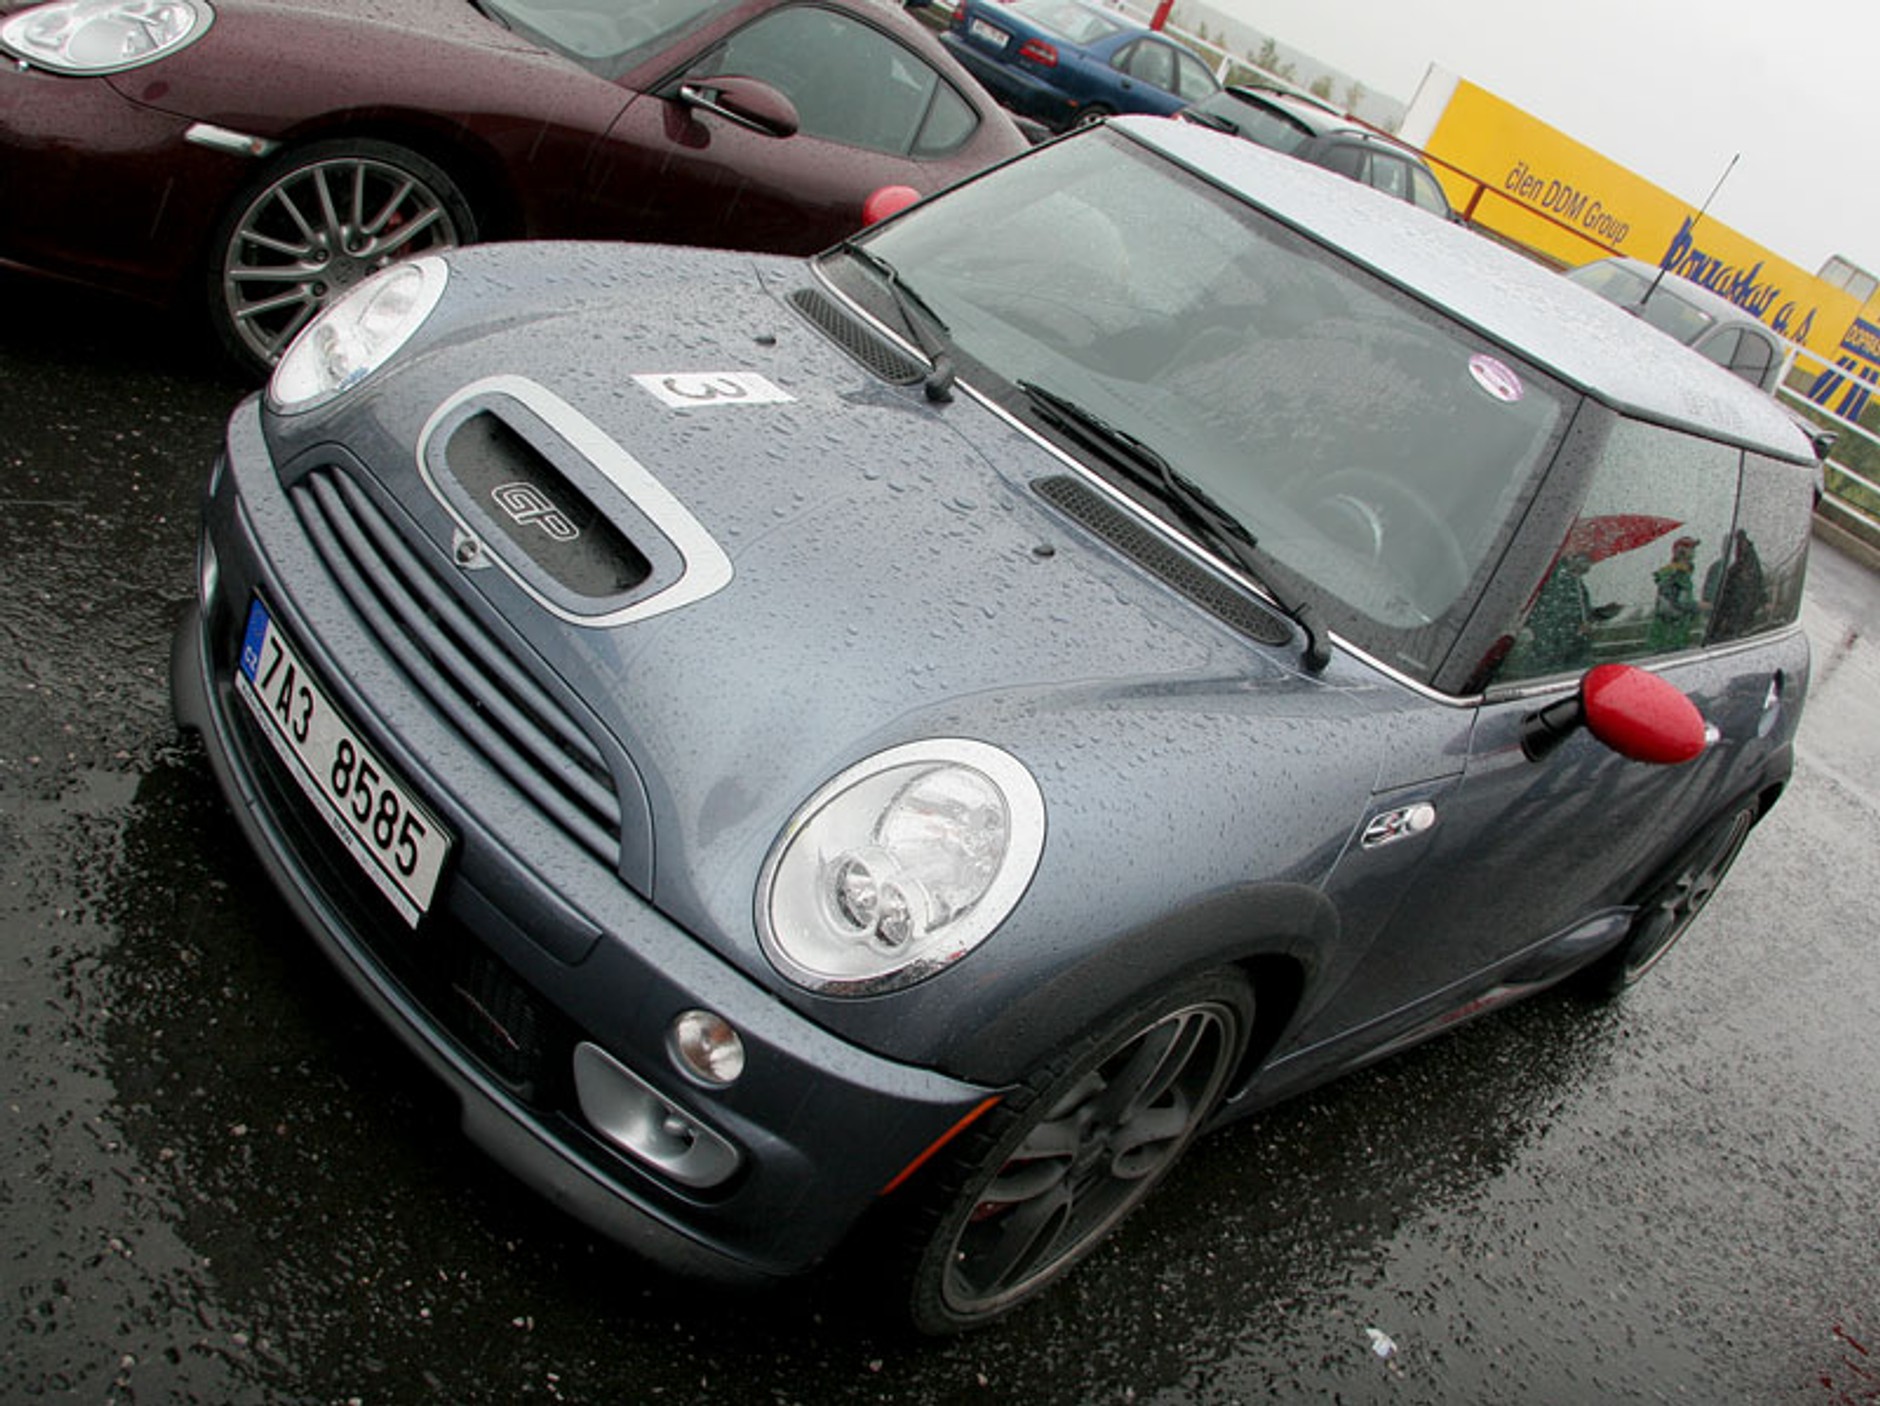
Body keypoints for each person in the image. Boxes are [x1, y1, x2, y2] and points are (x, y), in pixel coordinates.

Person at [1648, 535, 1704, 652]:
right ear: (1680, 551)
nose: (1693, 552)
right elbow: (1670, 607)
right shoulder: (1673, 574)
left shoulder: (1683, 574)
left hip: (1677, 636)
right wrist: (1699, 606)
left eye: (1693, 548)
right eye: (1689, 548)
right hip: (1667, 639)